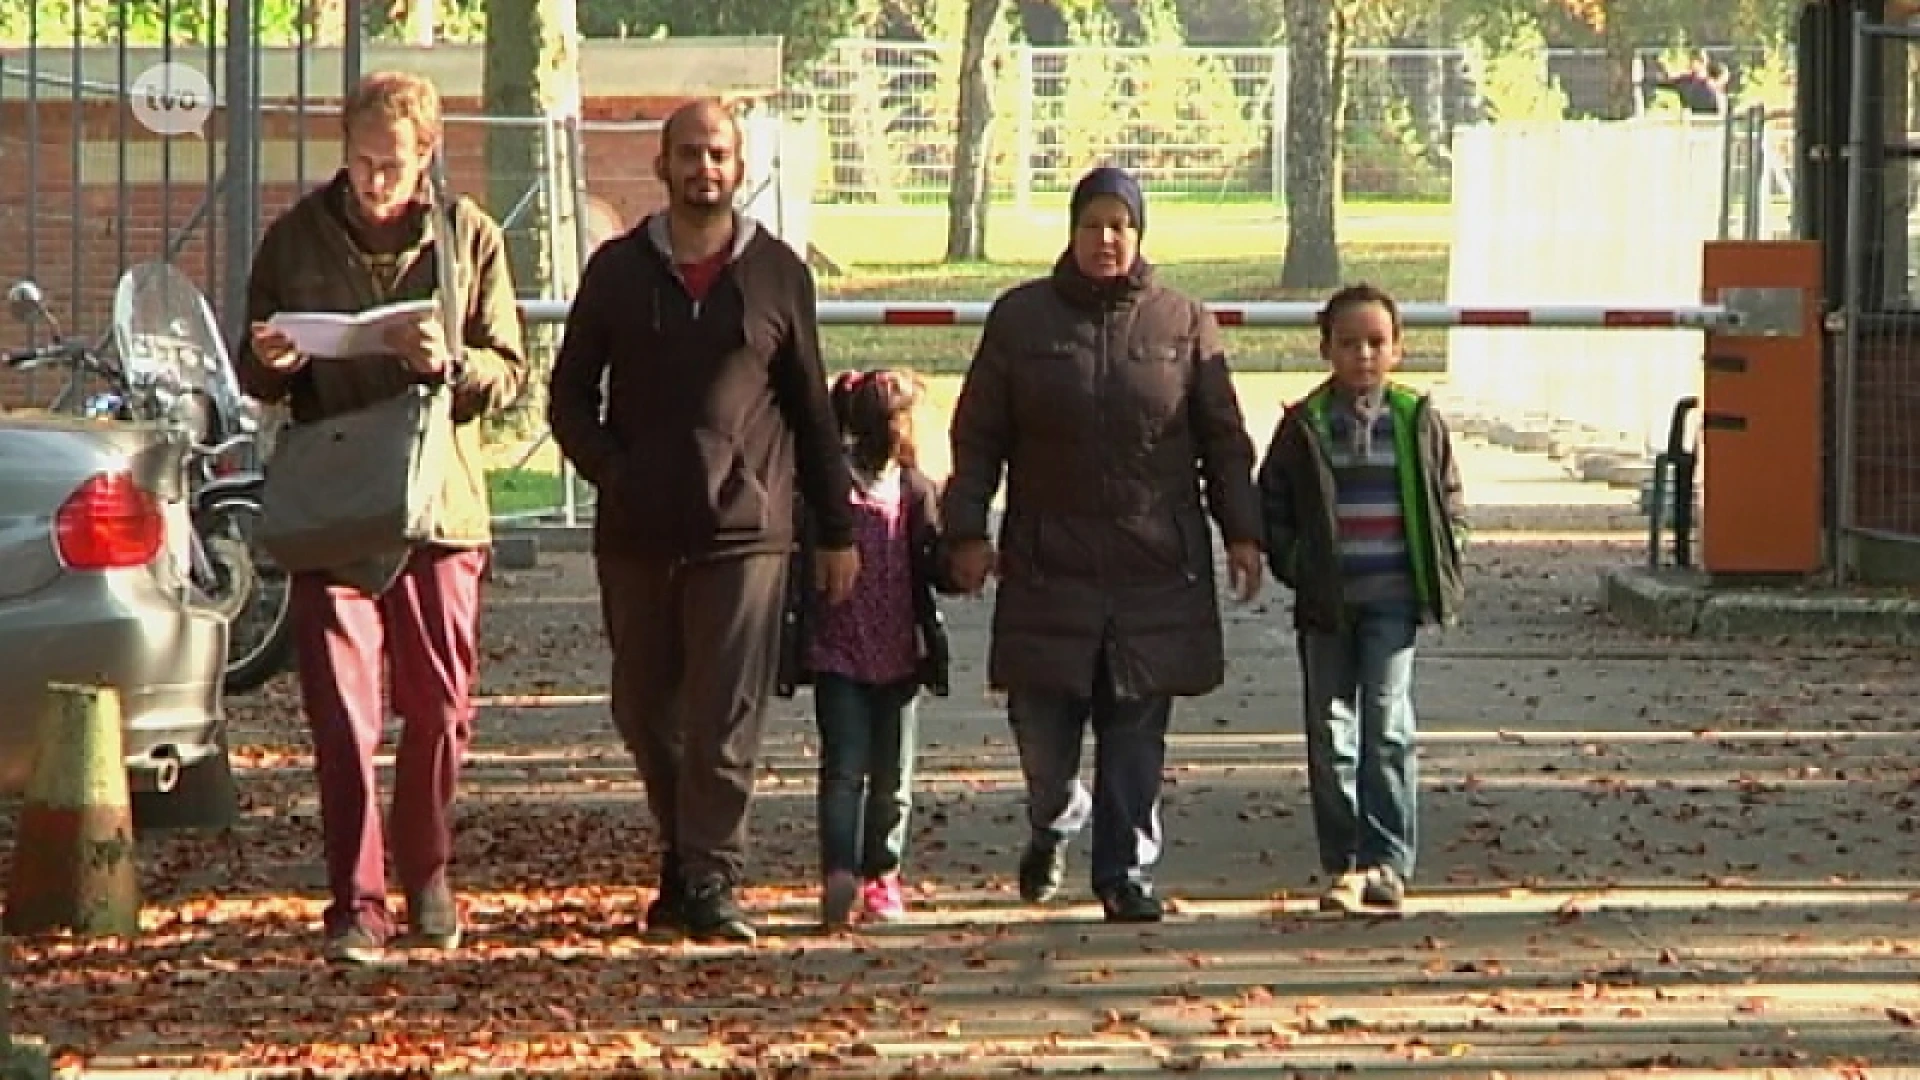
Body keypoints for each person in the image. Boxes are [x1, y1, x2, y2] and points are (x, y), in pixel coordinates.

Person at [547, 98, 859, 945]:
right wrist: (615, 472)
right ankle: (684, 856)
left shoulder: (778, 274)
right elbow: (568, 396)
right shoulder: (616, 271)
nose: (704, 168)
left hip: (745, 534)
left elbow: (813, 410)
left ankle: (710, 880)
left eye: (718, 153)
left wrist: (837, 529)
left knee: (726, 715)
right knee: (646, 711)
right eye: (689, 154)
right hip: (637, 534)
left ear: (740, 165)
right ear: (662, 166)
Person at [237, 71, 528, 966]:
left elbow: (511, 373)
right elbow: (257, 376)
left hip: (439, 502)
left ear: (427, 155)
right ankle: (356, 904)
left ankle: (427, 872)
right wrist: (275, 361)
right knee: (342, 717)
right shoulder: (294, 240)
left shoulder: (468, 236)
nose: (374, 180)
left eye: (392, 165)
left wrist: (451, 363)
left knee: (439, 707)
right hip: (337, 505)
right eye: (362, 161)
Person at [942, 165, 1264, 924]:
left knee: (1135, 734)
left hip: (1152, 567)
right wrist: (964, 530)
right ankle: (1055, 816)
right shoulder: (1021, 321)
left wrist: (1242, 533)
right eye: (1093, 224)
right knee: (1042, 732)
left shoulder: (1182, 322)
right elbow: (978, 437)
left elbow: (1223, 441)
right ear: (1072, 231)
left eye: (1121, 225)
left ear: (1140, 234)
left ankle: (1124, 873)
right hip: (1047, 564)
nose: (1107, 239)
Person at [1255, 283, 1466, 916]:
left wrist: (1449, 550)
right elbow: (1275, 505)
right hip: (1330, 602)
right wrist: (1296, 565)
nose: (1363, 355)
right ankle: (1343, 861)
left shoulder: (1414, 417)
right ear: (1325, 348)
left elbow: (1447, 495)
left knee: (1387, 722)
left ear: (1398, 349)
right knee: (1331, 728)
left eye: (1376, 343)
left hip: (1393, 599)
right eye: (1348, 343)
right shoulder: (1304, 424)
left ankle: (1388, 860)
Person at [775, 368, 953, 929]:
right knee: (844, 769)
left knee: (892, 778)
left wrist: (963, 562)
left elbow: (933, 566)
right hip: (838, 651)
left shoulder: (914, 490)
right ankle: (839, 873)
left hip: (901, 653)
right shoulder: (826, 492)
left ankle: (882, 872)